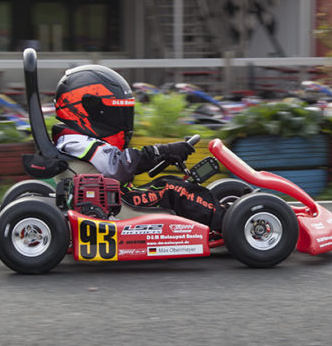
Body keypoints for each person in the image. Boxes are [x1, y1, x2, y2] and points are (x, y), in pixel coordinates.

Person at [52, 63, 225, 232]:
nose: (121, 121)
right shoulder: (75, 142)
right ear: (87, 109)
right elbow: (118, 167)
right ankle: (229, 221)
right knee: (172, 188)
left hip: (114, 196)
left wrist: (162, 155)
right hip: (116, 206)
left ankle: (222, 213)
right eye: (114, 114)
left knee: (173, 183)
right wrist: (163, 151)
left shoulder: (72, 139)